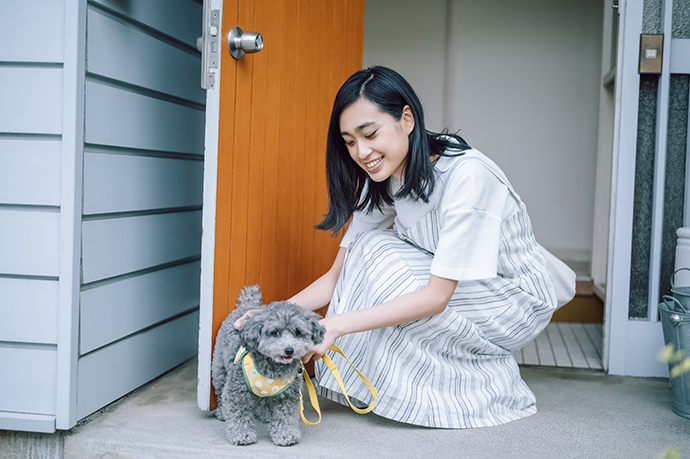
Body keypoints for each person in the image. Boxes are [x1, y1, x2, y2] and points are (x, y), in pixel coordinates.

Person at [238, 66, 561, 429]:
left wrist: (336, 326)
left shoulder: (467, 176)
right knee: (369, 249)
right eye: (349, 141)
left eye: (370, 133)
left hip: (514, 302)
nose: (361, 151)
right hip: (468, 291)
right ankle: (411, 386)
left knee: (381, 255)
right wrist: (272, 315)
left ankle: (471, 389)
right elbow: (336, 278)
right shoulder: (383, 177)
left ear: (406, 119)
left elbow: (436, 297)